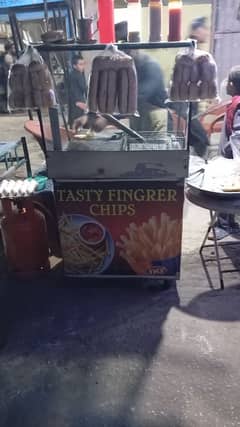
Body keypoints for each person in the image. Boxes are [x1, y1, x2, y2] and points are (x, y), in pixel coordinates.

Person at [210, 66, 240, 240]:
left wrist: (234, 160)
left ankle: (223, 225)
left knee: (227, 195)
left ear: (232, 84)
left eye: (227, 81)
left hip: (232, 161)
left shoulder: (238, 104)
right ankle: (225, 223)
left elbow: (238, 136)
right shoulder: (235, 102)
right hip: (229, 158)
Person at [68, 54, 87, 129]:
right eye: (80, 64)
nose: (83, 66)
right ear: (74, 66)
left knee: (74, 120)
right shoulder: (78, 75)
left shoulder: (71, 74)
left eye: (83, 64)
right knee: (78, 121)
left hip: (73, 100)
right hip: (78, 100)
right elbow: (84, 88)